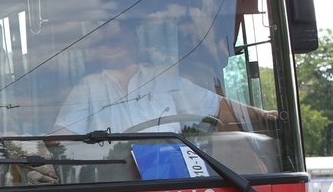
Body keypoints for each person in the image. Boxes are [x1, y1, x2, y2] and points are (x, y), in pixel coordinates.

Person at [54, 22, 277, 135]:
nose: (117, 47)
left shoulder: (164, 81)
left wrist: (263, 116)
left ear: (135, 42)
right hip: (113, 181)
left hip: (170, 181)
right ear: (100, 49)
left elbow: (217, 107)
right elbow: (63, 136)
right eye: (110, 42)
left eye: (122, 39)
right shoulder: (88, 88)